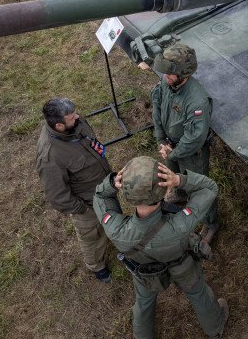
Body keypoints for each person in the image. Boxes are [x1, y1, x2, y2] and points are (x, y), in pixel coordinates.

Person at [93, 156, 228, 339]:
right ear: (164, 190)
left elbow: (100, 196)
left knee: (143, 303)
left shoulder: (116, 230)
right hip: (183, 266)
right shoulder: (180, 225)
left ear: (126, 195)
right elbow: (210, 187)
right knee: (198, 293)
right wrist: (180, 180)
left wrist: (110, 184)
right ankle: (215, 329)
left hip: (145, 272)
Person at [35, 98, 113, 283]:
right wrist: (83, 210)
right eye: (72, 117)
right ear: (60, 126)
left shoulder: (75, 122)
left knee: (109, 223)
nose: (78, 117)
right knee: (91, 237)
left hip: (104, 187)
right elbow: (57, 196)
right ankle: (97, 266)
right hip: (87, 203)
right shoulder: (50, 156)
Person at [149, 43, 218, 243]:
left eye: (169, 74)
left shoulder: (197, 101)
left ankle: (211, 222)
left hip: (190, 152)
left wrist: (173, 153)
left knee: (199, 188)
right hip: (170, 147)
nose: (164, 77)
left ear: (183, 74)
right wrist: (161, 139)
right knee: (172, 174)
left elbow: (195, 138)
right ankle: (179, 193)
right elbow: (157, 107)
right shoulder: (168, 82)